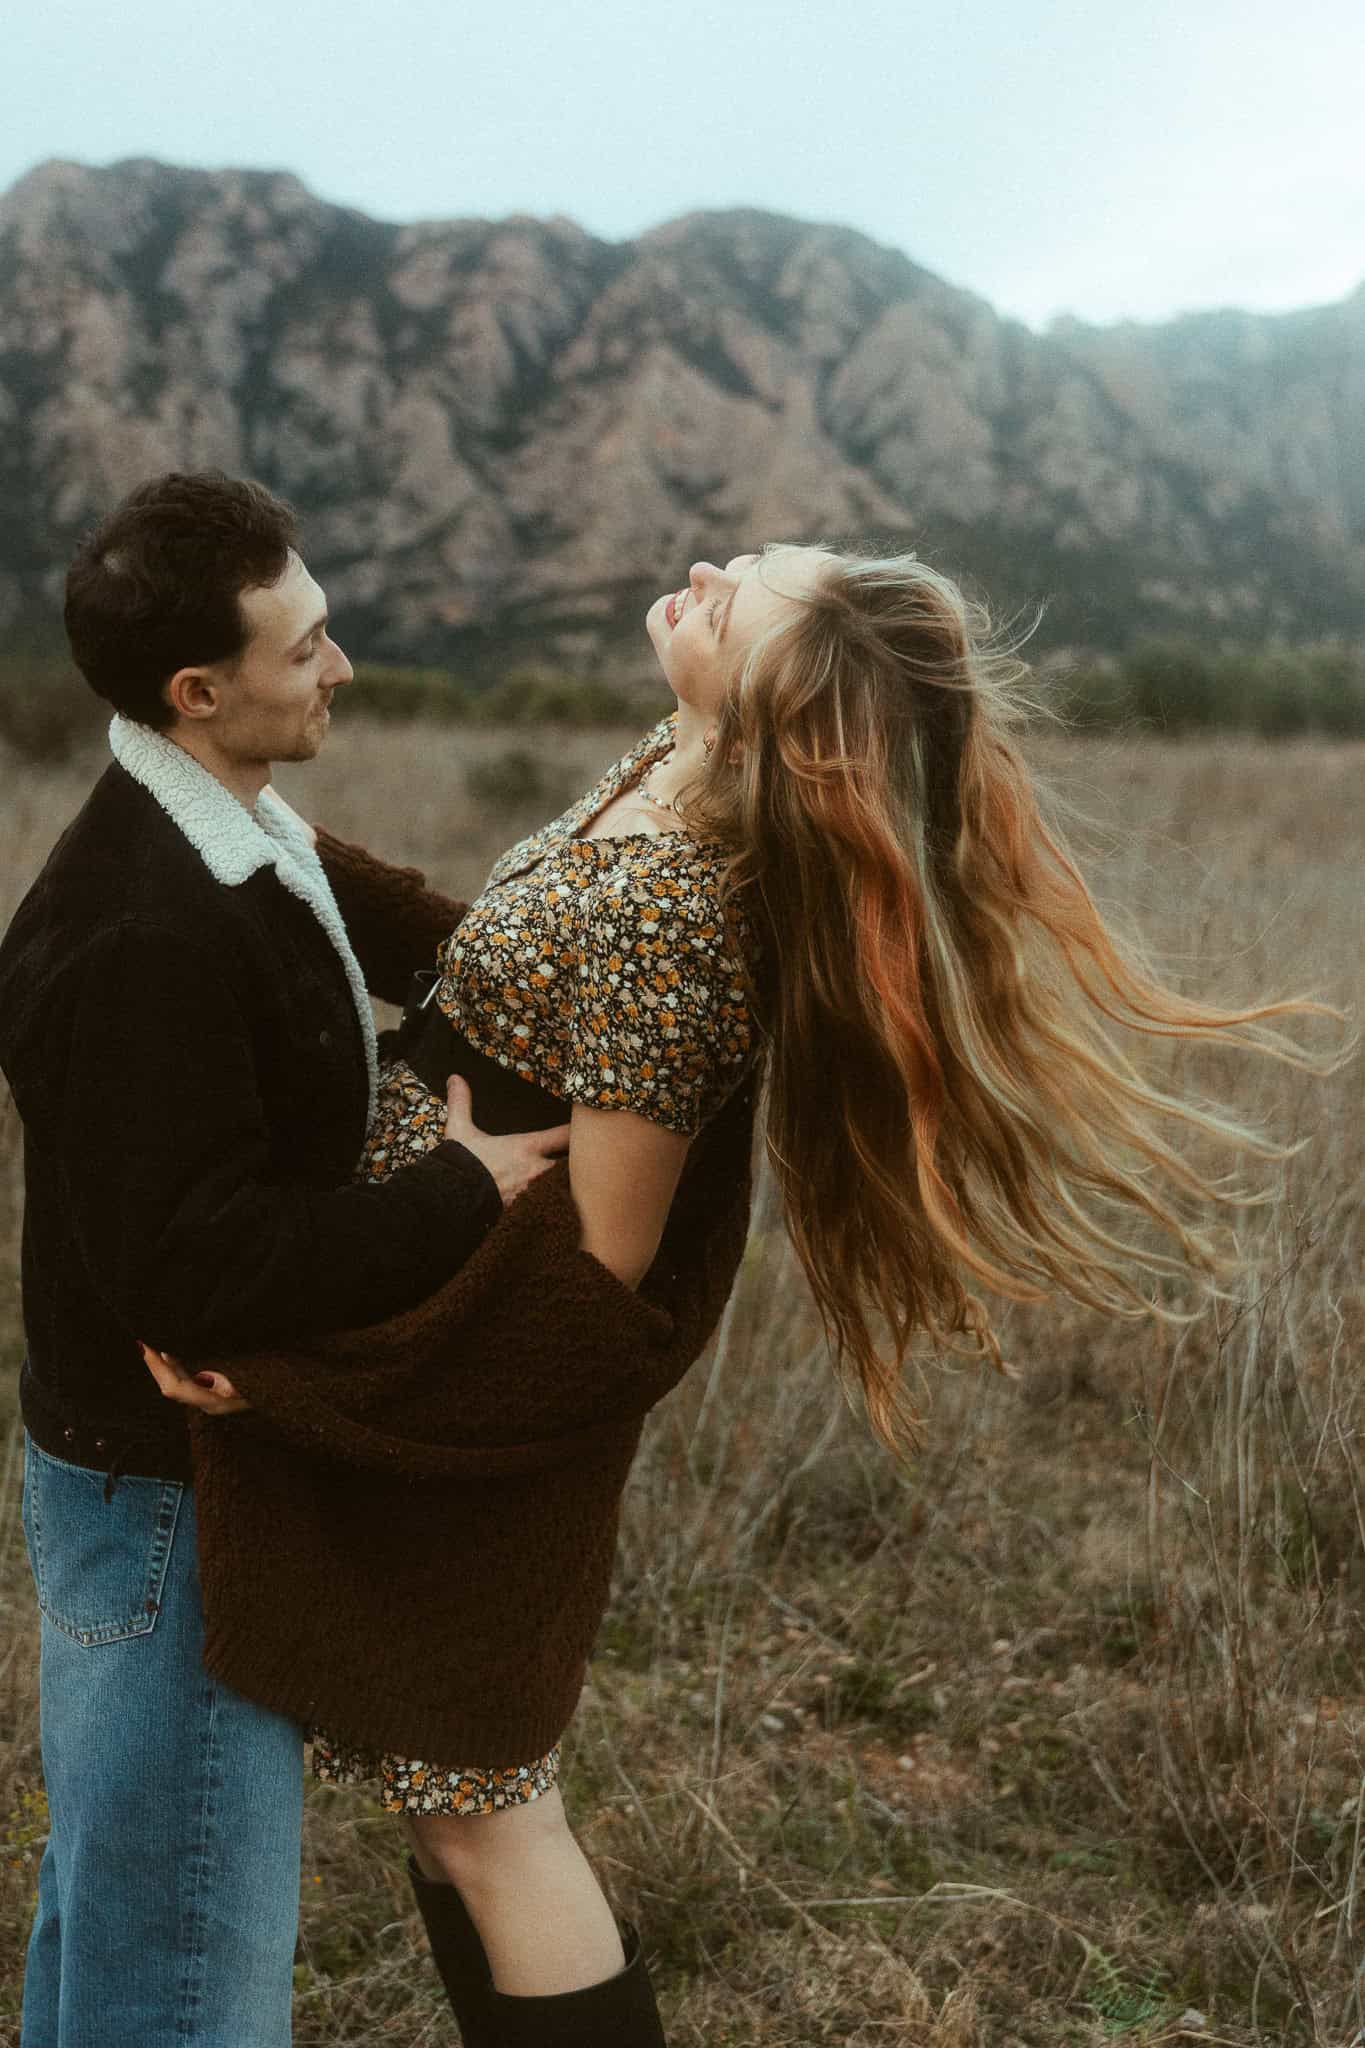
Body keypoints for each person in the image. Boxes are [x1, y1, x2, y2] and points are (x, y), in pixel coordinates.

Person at [144, 542, 1339, 2048]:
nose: (702, 571)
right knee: (455, 1808)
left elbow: (592, 1281)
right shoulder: (678, 763)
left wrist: (307, 1377)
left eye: (738, 596)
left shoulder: (681, 911)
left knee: (488, 1818)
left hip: (466, 1396)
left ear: (789, 713)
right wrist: (271, 841)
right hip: (400, 1314)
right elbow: (501, 971)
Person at [0, 470, 569, 2048]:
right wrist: (461, 1191)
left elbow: (384, 934)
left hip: (180, 1470)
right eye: (305, 647)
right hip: (165, 1487)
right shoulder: (140, 929)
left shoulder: (235, 822)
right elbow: (200, 1271)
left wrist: (588, 957)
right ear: (200, 690)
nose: (341, 666)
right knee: (179, 1961)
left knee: (122, 1908)